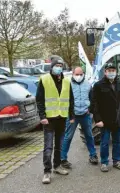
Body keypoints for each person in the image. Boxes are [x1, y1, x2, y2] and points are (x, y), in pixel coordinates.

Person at [36, 56, 74, 184]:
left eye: (60, 66)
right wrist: (42, 117)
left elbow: (70, 99)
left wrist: (71, 115)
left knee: (59, 145)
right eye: (56, 66)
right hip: (49, 119)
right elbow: (39, 99)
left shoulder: (67, 81)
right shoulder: (44, 79)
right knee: (48, 147)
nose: (59, 68)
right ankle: (47, 171)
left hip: (62, 118)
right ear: (51, 67)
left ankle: (57, 166)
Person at [91, 63, 120, 172]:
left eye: (113, 70)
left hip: (117, 119)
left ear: (116, 72)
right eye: (109, 70)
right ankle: (104, 162)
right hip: (104, 120)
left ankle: (117, 161)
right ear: (105, 72)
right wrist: (97, 119)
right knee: (104, 142)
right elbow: (94, 104)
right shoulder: (98, 86)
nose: (111, 72)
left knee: (117, 141)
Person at [60, 67, 98, 169]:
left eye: (81, 74)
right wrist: (69, 113)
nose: (79, 76)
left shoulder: (88, 84)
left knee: (89, 135)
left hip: (85, 114)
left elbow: (92, 98)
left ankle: (93, 155)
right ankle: (63, 158)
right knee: (68, 137)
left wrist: (90, 109)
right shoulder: (68, 84)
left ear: (83, 74)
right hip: (73, 115)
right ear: (73, 74)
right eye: (77, 74)